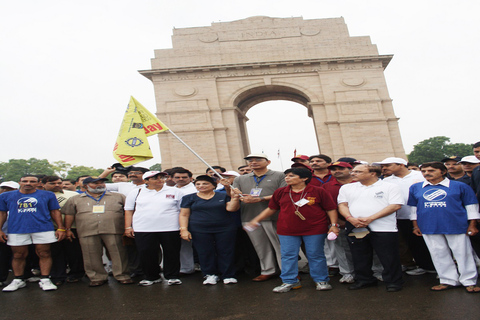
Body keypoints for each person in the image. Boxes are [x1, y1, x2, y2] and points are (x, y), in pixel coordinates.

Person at [245, 167, 339, 293]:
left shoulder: (318, 191)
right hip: (287, 229)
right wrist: (256, 220)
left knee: (315, 255)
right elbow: (271, 209)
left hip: (314, 229)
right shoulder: (280, 192)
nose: (287, 178)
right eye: (286, 176)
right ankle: (289, 281)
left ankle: (321, 280)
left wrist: (333, 225)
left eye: (291, 176)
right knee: (288, 256)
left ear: (305, 178)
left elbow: (330, 208)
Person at [408, 162, 480, 292]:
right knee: (438, 253)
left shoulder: (459, 186)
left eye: (431, 170)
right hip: (429, 226)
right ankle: (447, 280)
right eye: (423, 171)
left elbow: (471, 206)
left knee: (463, 253)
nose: (426, 173)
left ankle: (469, 281)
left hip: (456, 224)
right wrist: (415, 226)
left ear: (443, 171)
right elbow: (413, 209)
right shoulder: (416, 188)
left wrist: (472, 225)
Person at [338, 165, 404, 292]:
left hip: (384, 228)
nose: (353, 174)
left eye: (358, 171)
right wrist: (350, 218)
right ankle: (364, 280)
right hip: (356, 226)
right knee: (359, 255)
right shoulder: (347, 187)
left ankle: (393, 281)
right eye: (353, 171)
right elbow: (343, 205)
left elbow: (395, 205)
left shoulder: (390, 186)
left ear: (373, 173)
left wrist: (371, 218)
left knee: (388, 256)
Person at [63, 177, 133, 287]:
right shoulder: (75, 199)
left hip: (113, 230)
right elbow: (69, 214)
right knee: (90, 255)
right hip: (87, 231)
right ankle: (97, 277)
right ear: (86, 185)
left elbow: (128, 212)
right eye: (95, 183)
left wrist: (128, 227)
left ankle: (122, 275)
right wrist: (67, 229)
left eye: (101, 182)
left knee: (119, 253)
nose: (100, 185)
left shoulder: (118, 196)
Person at [0, 175, 66, 292]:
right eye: (25, 181)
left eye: (32, 181)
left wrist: (61, 228)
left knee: (44, 253)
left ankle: (45, 279)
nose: (28, 183)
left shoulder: (48, 195)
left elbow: (55, 211)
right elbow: (2, 213)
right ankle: (18, 279)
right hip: (17, 229)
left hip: (43, 228)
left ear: (38, 183)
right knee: (18, 255)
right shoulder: (6, 196)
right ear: (20, 182)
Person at [373, 157, 435, 276]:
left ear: (401, 165)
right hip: (400, 216)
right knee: (411, 243)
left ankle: (433, 266)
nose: (384, 168)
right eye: (383, 166)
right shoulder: (385, 181)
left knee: (427, 242)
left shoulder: (420, 175)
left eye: (388, 165)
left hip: (423, 215)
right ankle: (421, 265)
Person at [124, 171, 185, 286]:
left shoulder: (176, 191)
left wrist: (182, 228)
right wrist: (128, 227)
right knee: (146, 253)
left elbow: (182, 210)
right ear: (146, 181)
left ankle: (172, 276)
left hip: (170, 227)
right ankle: (151, 277)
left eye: (161, 177)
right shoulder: (136, 192)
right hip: (143, 228)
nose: (159, 180)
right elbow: (129, 210)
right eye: (155, 178)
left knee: (171, 252)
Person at [233, 153, 286, 281]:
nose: (253, 162)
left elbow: (283, 194)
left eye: (258, 160)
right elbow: (236, 196)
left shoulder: (280, 175)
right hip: (249, 217)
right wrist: (229, 189)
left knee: (280, 246)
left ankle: (288, 272)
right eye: (250, 160)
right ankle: (268, 270)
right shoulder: (240, 179)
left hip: (274, 216)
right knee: (261, 246)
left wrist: (260, 199)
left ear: (268, 162)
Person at [179, 175, 240, 285]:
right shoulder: (188, 198)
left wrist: (235, 198)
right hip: (199, 229)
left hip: (224, 228)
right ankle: (210, 274)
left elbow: (231, 208)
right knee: (204, 252)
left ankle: (228, 275)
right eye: (198, 184)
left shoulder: (222, 195)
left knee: (226, 251)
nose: (201, 186)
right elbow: (184, 215)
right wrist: (184, 229)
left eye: (205, 183)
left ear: (213, 185)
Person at [42, 176, 84, 285]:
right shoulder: (40, 196)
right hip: (51, 229)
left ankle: (76, 274)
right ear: (43, 184)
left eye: (59, 183)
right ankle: (58, 276)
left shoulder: (74, 195)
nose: (57, 185)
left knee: (74, 253)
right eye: (52, 183)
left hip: (73, 228)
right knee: (55, 254)